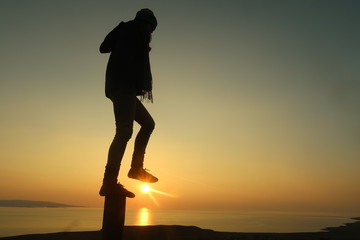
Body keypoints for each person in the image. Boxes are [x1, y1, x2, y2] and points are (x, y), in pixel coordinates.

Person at [99, 9, 158, 197]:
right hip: (122, 87)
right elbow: (104, 47)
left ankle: (136, 169)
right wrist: (121, 30)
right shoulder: (130, 30)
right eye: (151, 29)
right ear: (146, 24)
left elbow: (106, 48)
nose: (150, 34)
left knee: (148, 124)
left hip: (126, 89)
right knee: (124, 131)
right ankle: (109, 182)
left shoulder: (135, 36)